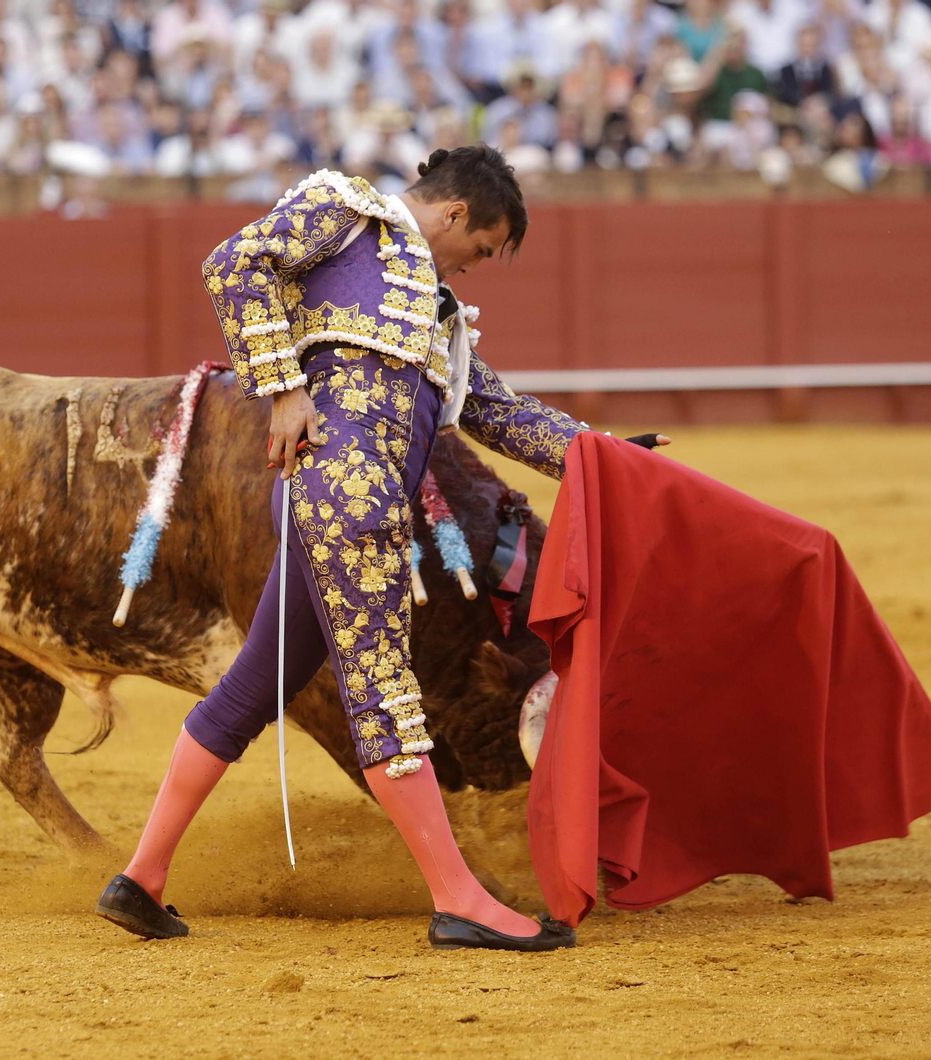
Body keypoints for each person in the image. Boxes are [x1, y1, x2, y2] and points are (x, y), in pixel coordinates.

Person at [96, 147, 664, 952]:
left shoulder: (433, 317)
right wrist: (286, 389)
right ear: (457, 214)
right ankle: (458, 897)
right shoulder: (349, 215)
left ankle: (142, 878)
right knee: (386, 695)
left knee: (254, 688)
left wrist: (609, 455)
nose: (475, 267)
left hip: (342, 509)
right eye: (483, 247)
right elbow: (235, 262)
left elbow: (500, 415)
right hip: (350, 503)